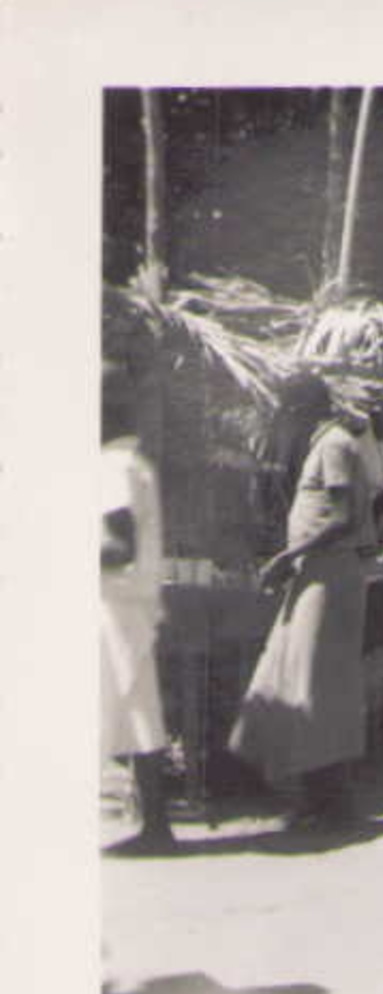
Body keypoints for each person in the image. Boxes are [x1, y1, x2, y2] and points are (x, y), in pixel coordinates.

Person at [231, 373, 375, 830]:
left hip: (328, 571)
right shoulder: (326, 444)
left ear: (299, 410)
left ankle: (330, 802)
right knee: (300, 682)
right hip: (316, 572)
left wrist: (289, 556)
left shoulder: (333, 445)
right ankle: (319, 797)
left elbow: (344, 516)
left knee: (316, 687)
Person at [101, 358, 176, 855]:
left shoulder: (112, 466)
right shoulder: (133, 464)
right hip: (128, 605)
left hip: (114, 603)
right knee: (139, 712)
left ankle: (156, 827)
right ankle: (156, 824)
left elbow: (116, 545)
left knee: (131, 710)